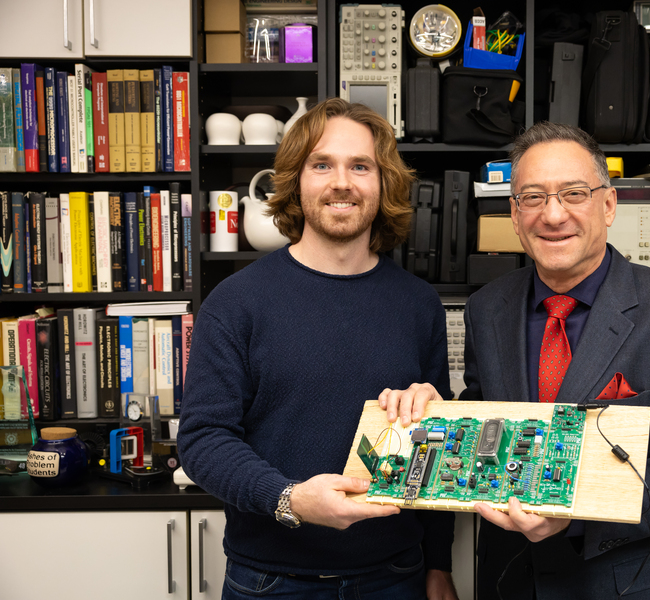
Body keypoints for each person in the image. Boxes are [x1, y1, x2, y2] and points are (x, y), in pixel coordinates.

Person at [178, 97, 457, 600]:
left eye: (360, 166)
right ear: (295, 180)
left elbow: (439, 442)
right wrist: (291, 500)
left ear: (383, 182)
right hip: (271, 581)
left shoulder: (420, 305)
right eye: (322, 164)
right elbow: (203, 440)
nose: (342, 182)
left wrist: (439, 565)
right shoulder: (236, 303)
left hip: (398, 576)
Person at [459, 121, 650, 599]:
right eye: (533, 198)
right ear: (515, 213)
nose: (553, 214)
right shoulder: (487, 309)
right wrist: (430, 411)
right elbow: (486, 421)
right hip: (509, 581)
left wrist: (575, 515)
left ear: (608, 205)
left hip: (627, 583)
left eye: (574, 193)